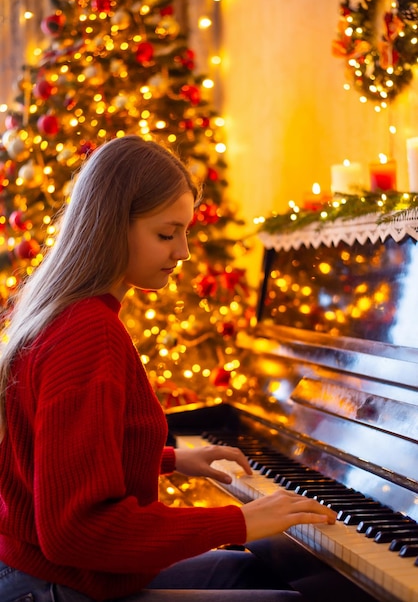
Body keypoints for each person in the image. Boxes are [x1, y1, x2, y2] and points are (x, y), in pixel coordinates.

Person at [0, 135, 336, 602]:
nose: (183, 252)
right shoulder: (87, 333)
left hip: (48, 571)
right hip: (52, 584)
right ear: (112, 227)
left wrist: (173, 461)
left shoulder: (72, 314)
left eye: (185, 232)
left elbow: (60, 456)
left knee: (253, 574)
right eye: (166, 233)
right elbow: (74, 530)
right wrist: (242, 520)